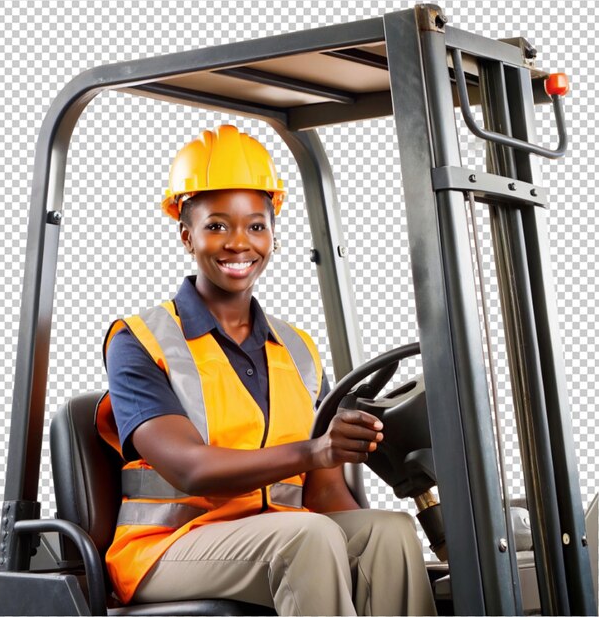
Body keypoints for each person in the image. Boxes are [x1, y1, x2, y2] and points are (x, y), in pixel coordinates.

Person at [96, 124, 437, 616]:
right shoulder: (140, 340)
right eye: (217, 226)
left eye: (256, 226)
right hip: (167, 547)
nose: (239, 243)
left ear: (273, 235)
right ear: (186, 234)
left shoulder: (296, 348)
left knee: (389, 532)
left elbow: (321, 488)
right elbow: (190, 470)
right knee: (305, 536)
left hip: (276, 531)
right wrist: (315, 449)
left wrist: (355, 511)